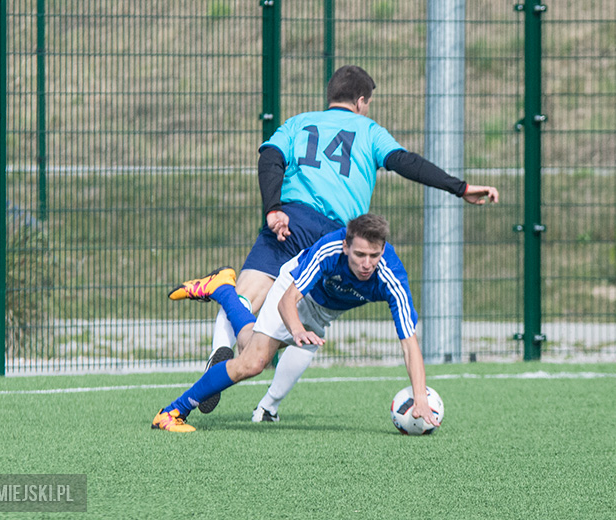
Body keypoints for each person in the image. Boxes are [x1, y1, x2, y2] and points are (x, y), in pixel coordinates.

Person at [195, 65, 499, 416]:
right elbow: (406, 163)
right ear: (360, 101)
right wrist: (459, 188)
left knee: (245, 294)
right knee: (306, 327)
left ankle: (219, 348)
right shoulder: (369, 131)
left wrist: (273, 208)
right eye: (368, 104)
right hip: (331, 238)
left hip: (288, 221)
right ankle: (268, 405)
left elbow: (270, 159)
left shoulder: (298, 122)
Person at [153, 214, 442, 432]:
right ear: (346, 246)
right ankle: (172, 413)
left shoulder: (392, 277)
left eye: (374, 256)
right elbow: (287, 301)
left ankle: (222, 289)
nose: (367, 264)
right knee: (253, 362)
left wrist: (419, 397)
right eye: (360, 255)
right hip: (295, 292)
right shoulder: (329, 250)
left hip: (324, 312)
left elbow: (409, 343)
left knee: (247, 343)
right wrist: (297, 330)